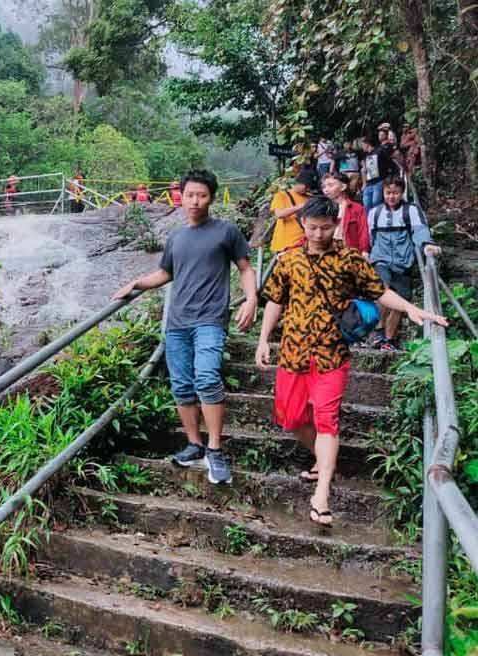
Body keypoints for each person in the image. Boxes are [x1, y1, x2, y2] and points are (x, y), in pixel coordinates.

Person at [256, 196, 446, 526]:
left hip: (332, 354)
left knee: (327, 419)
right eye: (312, 227)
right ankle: (321, 459)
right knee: (292, 418)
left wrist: (413, 309)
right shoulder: (288, 261)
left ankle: (323, 494)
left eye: (325, 228)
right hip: (293, 352)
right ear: (303, 224)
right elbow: (275, 300)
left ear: (336, 225)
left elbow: (379, 291)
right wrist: (263, 339)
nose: (318, 234)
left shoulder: (349, 260)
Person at [112, 169, 257, 485]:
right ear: (182, 196)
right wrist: (136, 282)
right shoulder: (176, 237)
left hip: (209, 321)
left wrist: (251, 299)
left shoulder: (226, 231)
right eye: (190, 194)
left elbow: (245, 268)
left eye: (201, 195)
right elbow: (165, 273)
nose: (195, 201)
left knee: (206, 377)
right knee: (181, 386)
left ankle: (215, 450)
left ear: (211, 198)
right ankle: (194, 444)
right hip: (177, 323)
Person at [368, 175, 442, 350]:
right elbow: (371, 237)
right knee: (382, 290)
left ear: (402, 193)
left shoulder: (412, 211)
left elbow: (420, 230)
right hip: (381, 258)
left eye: (395, 193)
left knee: (400, 301)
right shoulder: (375, 212)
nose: (391, 197)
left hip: (403, 261)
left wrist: (427, 244)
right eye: (388, 193)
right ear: (383, 193)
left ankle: (389, 339)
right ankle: (378, 331)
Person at [268, 169, 315, 252]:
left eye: (309, 187)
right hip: (285, 243)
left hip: (304, 242)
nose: (307, 189)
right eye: (306, 186)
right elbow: (279, 214)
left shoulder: (310, 198)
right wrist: (300, 206)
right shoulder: (281, 195)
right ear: (298, 182)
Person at [321, 172, 370, 253]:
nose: (326, 190)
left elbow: (363, 232)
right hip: (328, 250)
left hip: (350, 251)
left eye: (330, 185)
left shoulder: (357, 208)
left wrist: (364, 251)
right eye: (324, 187)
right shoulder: (323, 208)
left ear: (343, 187)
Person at [360, 137, 397, 213]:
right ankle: (369, 222)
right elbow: (364, 170)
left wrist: (389, 177)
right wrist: (364, 183)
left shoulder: (379, 151)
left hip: (379, 181)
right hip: (368, 183)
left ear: (367, 144)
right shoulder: (365, 156)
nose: (362, 147)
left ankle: (377, 220)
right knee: (366, 204)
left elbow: (390, 163)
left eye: (363, 145)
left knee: (376, 202)